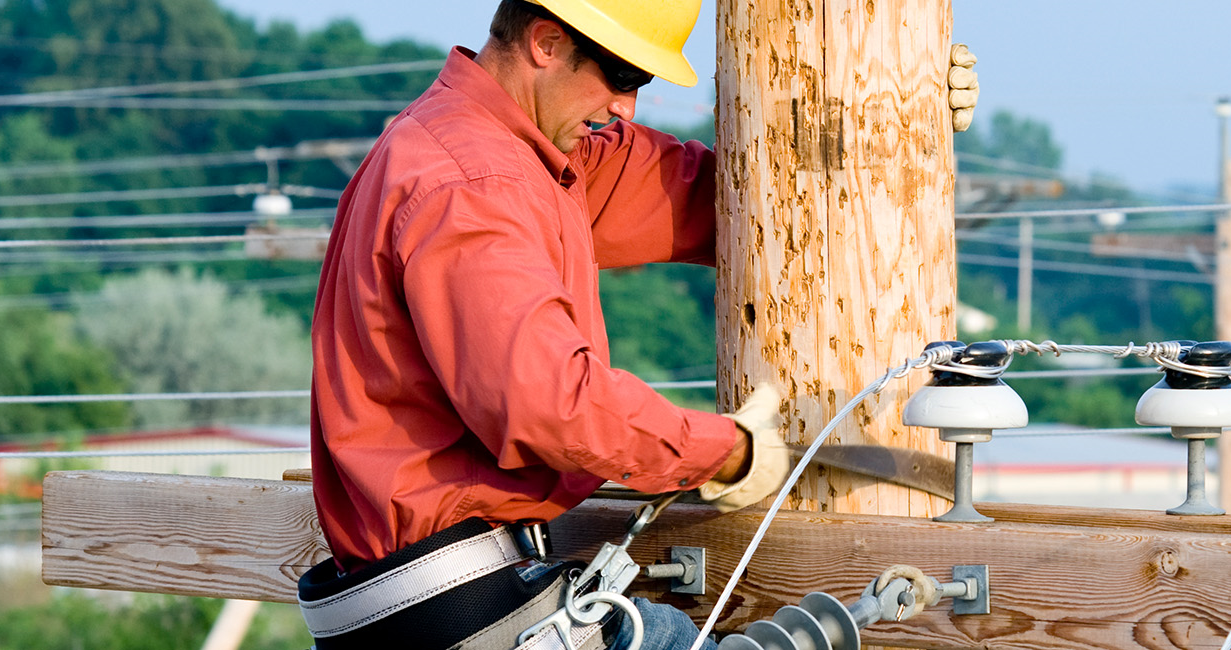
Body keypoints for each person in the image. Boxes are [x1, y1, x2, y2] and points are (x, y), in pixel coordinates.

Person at [295, 1, 976, 650]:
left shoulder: (516, 157)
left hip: (453, 604)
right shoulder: (476, 186)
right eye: (620, 75)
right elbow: (550, 407)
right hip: (460, 606)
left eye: (640, 80)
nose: (627, 105)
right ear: (546, 42)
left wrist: (903, 108)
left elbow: (757, 198)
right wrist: (726, 451)